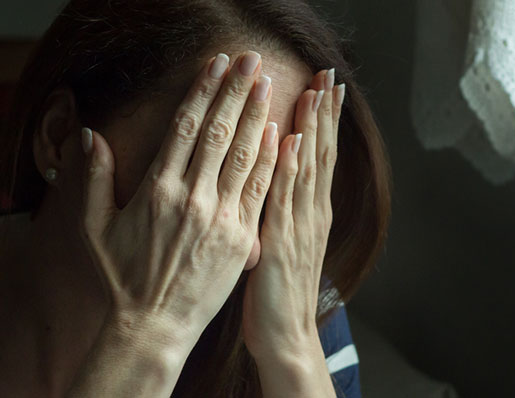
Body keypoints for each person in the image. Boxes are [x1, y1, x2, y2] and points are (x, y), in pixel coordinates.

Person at [0, 0, 392, 397]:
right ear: (59, 135)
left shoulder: (301, 311)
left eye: (269, 190)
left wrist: (293, 347)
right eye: (201, 167)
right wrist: (153, 328)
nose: (235, 240)